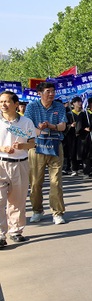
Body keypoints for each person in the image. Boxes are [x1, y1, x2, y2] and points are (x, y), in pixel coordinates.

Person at [26, 81, 68, 224]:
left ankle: (57, 212)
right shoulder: (32, 107)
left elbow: (63, 126)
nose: (51, 94)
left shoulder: (59, 106)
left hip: (55, 146)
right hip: (36, 147)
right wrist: (39, 129)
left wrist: (51, 126)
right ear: (39, 93)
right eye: (48, 91)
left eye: (53, 91)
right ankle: (37, 210)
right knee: (35, 182)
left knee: (56, 181)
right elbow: (28, 127)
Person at [0, 91, 37, 246]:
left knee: (17, 200)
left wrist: (23, 146)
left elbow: (32, 143)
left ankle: (15, 231)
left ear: (16, 104)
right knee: (0, 200)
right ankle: (0, 235)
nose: (3, 104)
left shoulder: (26, 122)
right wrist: (2, 148)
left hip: (20, 163)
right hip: (1, 163)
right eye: (1, 102)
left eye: (7, 101)